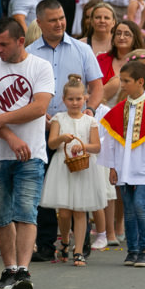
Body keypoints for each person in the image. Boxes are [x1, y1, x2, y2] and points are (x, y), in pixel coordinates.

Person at [0, 18, 54, 289]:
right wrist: (10, 137)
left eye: (4, 44)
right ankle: (9, 269)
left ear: (21, 41)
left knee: (26, 211)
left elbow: (39, 107)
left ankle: (23, 269)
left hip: (32, 151)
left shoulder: (40, 67)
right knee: (1, 214)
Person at [27, 0, 104, 258]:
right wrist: (41, 115)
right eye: (53, 20)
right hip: (42, 127)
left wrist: (89, 112)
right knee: (47, 184)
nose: (60, 23)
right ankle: (47, 243)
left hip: (77, 129)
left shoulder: (81, 50)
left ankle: (80, 243)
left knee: (78, 183)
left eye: (61, 18)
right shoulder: (31, 53)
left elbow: (97, 86)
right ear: (39, 23)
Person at [99, 61, 145, 267]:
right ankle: (132, 250)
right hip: (124, 167)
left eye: (126, 81)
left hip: (144, 168)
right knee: (129, 209)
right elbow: (112, 140)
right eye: (121, 80)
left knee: (140, 206)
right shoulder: (120, 108)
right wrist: (112, 167)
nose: (122, 85)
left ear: (140, 82)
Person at [40, 75, 107, 266]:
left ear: (85, 98)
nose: (75, 102)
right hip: (62, 166)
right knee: (64, 212)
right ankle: (65, 240)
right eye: (71, 99)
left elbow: (96, 146)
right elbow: (52, 144)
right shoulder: (58, 119)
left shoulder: (90, 121)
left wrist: (83, 146)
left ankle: (78, 251)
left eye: (79, 99)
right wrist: (62, 138)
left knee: (80, 211)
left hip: (84, 167)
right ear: (63, 100)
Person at [97, 20, 145, 107]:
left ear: (135, 38)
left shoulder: (144, 61)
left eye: (127, 34)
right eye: (118, 33)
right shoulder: (101, 59)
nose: (121, 37)